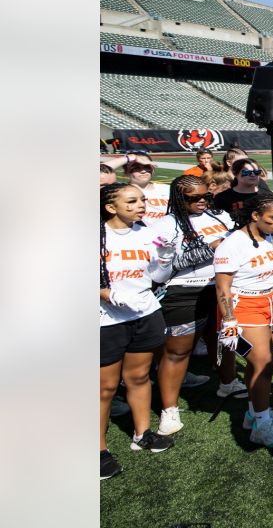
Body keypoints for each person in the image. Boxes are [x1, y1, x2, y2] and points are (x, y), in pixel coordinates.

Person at [100, 183, 177, 479]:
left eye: (143, 200)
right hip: (106, 319)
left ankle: (142, 433)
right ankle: (99, 449)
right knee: (104, 388)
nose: (141, 205)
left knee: (139, 376)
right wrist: (108, 295)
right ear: (110, 207)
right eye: (132, 201)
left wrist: (165, 260)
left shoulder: (146, 233)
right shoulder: (95, 236)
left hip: (145, 312)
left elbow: (157, 276)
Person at [151, 175, 235, 435]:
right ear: (178, 198)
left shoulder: (218, 218)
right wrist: (209, 249)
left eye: (205, 197)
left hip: (219, 288)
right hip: (183, 292)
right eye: (193, 198)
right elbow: (160, 273)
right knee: (177, 352)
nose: (201, 202)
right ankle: (169, 409)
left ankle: (228, 382)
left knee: (222, 340)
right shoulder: (165, 225)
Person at [213, 196, 273, 448]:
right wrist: (229, 320)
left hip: (270, 304)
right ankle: (261, 426)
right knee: (263, 363)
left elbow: (269, 274)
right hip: (244, 307)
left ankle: (255, 413)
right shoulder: (231, 244)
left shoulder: (267, 237)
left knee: (263, 363)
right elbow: (222, 287)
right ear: (255, 216)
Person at [122, 156, 171, 224]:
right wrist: (128, 158)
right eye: (136, 168)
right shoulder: (121, 191)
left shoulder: (168, 189)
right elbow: (103, 171)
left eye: (147, 167)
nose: (143, 171)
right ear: (126, 172)